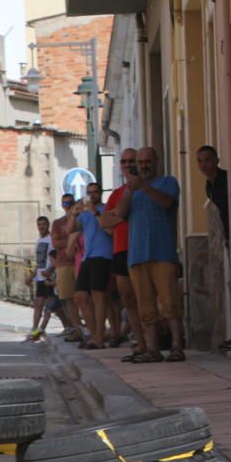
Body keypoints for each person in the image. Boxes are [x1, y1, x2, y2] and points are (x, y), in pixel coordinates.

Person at [114, 147, 183, 363]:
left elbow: (167, 203)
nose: (143, 166)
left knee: (170, 303)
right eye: (140, 162)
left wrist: (145, 187)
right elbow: (120, 214)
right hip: (137, 255)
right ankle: (152, 350)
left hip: (162, 252)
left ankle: (177, 347)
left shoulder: (168, 182)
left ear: (156, 161)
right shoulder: (132, 189)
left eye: (147, 162)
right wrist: (129, 189)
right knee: (146, 308)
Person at [100, 148, 147, 360]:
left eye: (132, 161)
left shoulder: (145, 188)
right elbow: (104, 222)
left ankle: (150, 341)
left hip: (141, 248)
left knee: (145, 297)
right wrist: (120, 215)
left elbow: (114, 218)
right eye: (124, 161)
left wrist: (117, 216)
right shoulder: (116, 193)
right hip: (120, 250)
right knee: (128, 299)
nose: (128, 165)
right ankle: (139, 342)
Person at [195, 145, 231, 352]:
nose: (203, 165)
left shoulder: (225, 180)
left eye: (207, 160)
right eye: (199, 161)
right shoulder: (209, 185)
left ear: (216, 160)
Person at [69, 182, 112, 349]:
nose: (92, 195)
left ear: (100, 193)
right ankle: (93, 334)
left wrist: (95, 212)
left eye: (95, 192)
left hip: (103, 255)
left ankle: (100, 337)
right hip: (88, 257)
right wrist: (73, 213)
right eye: (89, 192)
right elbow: (70, 230)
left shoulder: (106, 209)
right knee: (80, 296)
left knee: (98, 296)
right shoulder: (84, 213)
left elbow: (108, 228)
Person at [51, 194, 82, 339]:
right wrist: (71, 239)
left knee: (83, 297)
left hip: (79, 261)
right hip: (64, 263)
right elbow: (56, 244)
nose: (68, 206)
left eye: (70, 203)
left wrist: (67, 239)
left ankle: (87, 328)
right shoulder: (57, 223)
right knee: (68, 298)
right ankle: (77, 329)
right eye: (65, 203)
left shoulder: (80, 219)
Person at [25, 216, 53, 341]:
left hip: (50, 277)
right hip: (40, 277)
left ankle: (70, 327)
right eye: (39, 224)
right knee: (39, 304)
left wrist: (50, 271)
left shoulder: (51, 239)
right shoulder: (39, 241)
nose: (41, 227)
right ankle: (35, 329)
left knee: (53, 306)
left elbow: (55, 258)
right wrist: (32, 276)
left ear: (48, 225)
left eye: (44, 224)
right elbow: (40, 261)